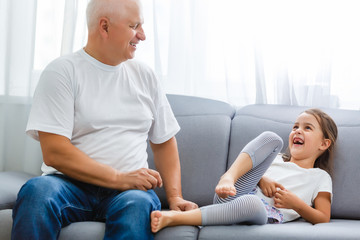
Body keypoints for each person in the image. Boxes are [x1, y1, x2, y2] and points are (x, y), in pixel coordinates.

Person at [11, 0, 197, 239]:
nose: (142, 35)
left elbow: (163, 141)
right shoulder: (62, 72)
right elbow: (55, 152)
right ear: (104, 27)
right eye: (134, 25)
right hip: (69, 185)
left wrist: (175, 197)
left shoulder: (145, 75)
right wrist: (119, 177)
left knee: (136, 207)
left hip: (130, 193)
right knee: (37, 192)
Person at [151, 109, 338, 232]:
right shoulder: (277, 158)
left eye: (307, 128)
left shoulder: (320, 177)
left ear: (324, 143)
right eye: (295, 126)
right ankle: (228, 176)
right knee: (273, 138)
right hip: (232, 194)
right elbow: (253, 174)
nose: (297, 131)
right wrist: (261, 179)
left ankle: (177, 218)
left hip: (261, 211)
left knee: (252, 203)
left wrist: (296, 204)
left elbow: (323, 217)